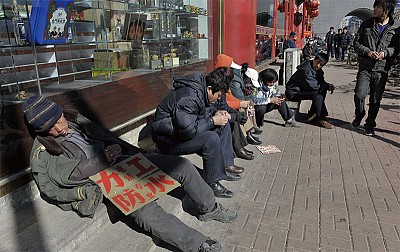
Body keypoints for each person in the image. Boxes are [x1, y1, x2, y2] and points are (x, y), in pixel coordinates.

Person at [23, 95, 238, 252]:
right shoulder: (43, 152)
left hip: (124, 159)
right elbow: (63, 179)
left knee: (181, 166)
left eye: (57, 121)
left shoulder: (75, 120)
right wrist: (102, 160)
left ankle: (209, 208)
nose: (58, 129)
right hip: (104, 179)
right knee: (146, 209)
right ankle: (198, 245)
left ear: (60, 112)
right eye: (50, 128)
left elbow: (106, 137)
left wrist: (124, 153)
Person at [151, 67, 245, 199]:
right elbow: (188, 130)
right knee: (210, 139)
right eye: (218, 95)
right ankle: (211, 183)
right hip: (167, 140)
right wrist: (212, 120)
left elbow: (197, 115)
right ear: (209, 88)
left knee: (223, 125)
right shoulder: (189, 96)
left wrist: (215, 115)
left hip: (178, 133)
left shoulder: (201, 90)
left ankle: (222, 169)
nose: (218, 99)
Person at [352, 0, 400, 136]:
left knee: (375, 99)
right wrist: (368, 52)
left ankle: (370, 124)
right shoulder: (366, 24)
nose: (374, 9)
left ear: (386, 9)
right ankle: (359, 114)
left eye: (378, 7)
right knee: (359, 94)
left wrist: (385, 53)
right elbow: (357, 43)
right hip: (365, 67)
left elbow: (396, 48)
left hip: (382, 68)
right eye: (375, 6)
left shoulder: (396, 27)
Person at [285, 52, 335, 129]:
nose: (318, 66)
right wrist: (326, 86)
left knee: (322, 90)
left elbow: (321, 81)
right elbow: (314, 85)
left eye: (321, 65)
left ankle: (312, 116)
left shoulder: (318, 70)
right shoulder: (306, 69)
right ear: (314, 59)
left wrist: (328, 85)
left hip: (302, 90)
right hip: (293, 92)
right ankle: (320, 118)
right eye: (318, 63)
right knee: (317, 94)